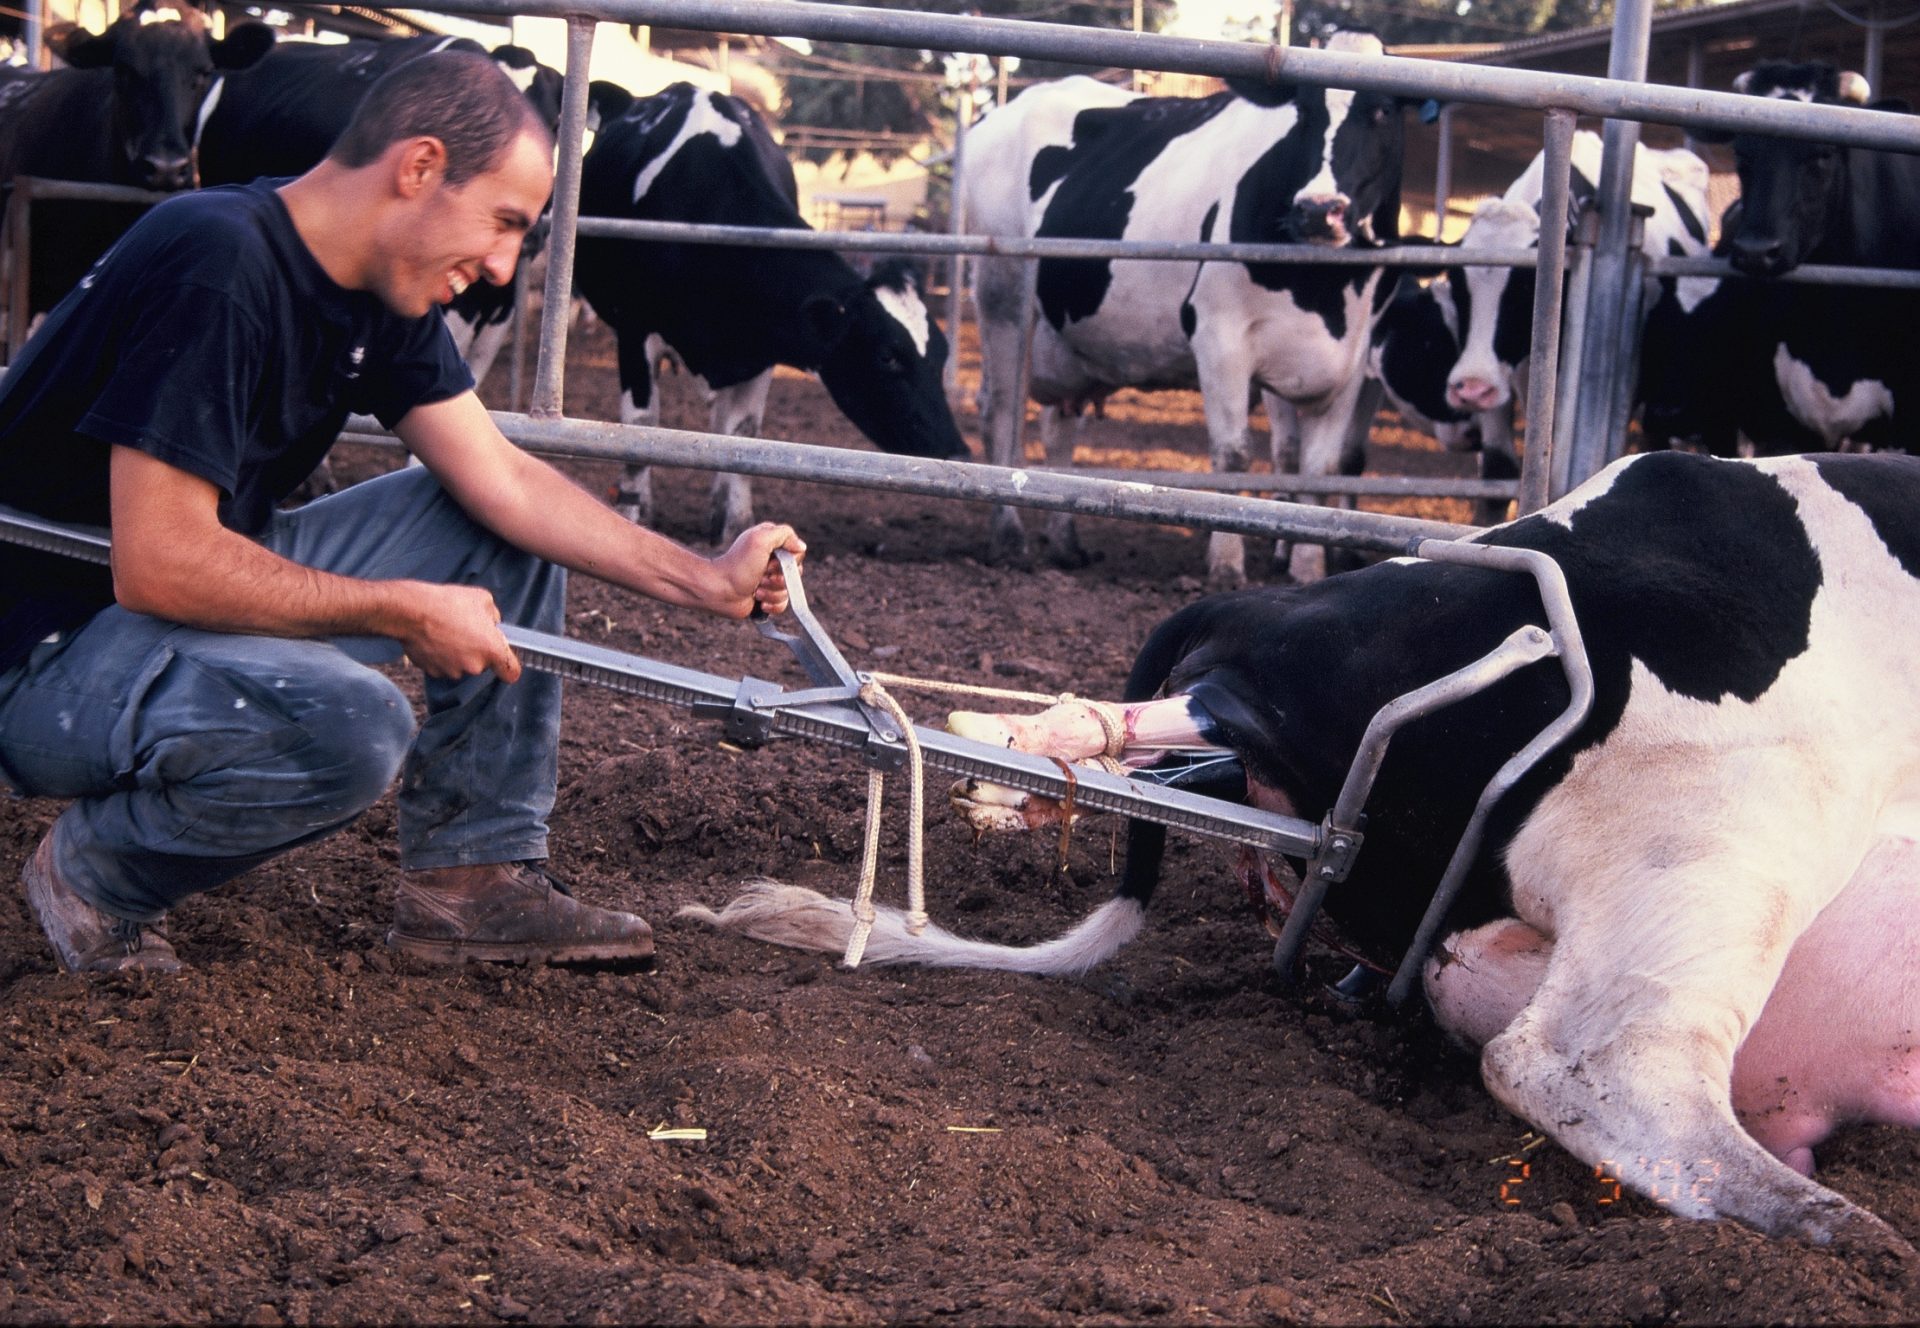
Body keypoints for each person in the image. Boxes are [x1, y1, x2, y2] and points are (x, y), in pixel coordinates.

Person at [0, 50, 804, 975]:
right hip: (47, 647)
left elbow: (500, 478)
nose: (505, 266)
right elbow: (161, 560)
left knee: (485, 522)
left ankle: (468, 883)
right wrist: (399, 609)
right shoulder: (217, 262)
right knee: (351, 726)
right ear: (419, 168)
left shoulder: (373, 283)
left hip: (165, 591)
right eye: (503, 222)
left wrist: (703, 579)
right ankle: (96, 877)